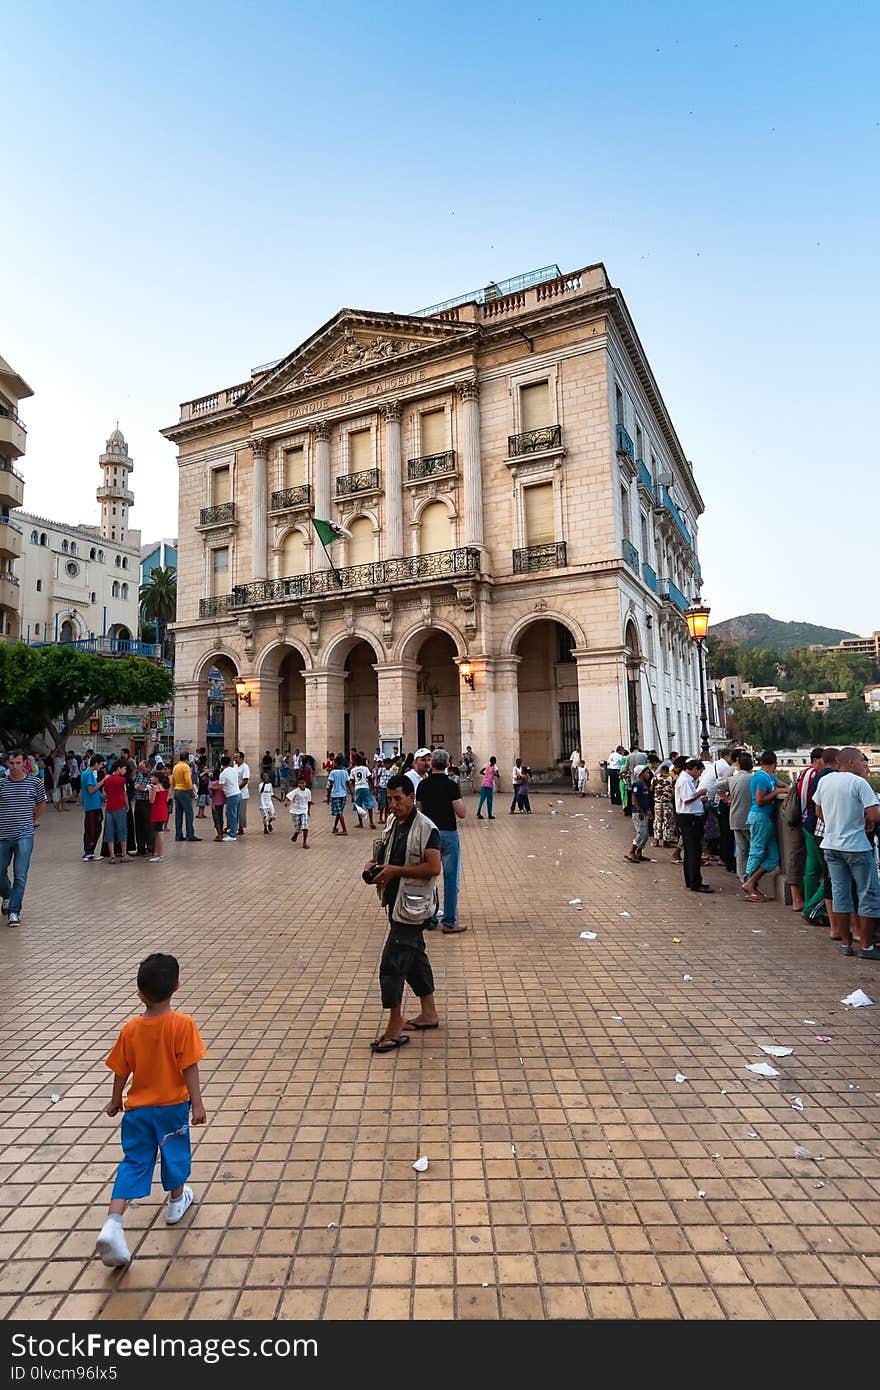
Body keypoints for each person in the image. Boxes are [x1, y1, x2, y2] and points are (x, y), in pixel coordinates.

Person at [95, 953, 207, 1268]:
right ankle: (175, 1202)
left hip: (138, 1111)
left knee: (134, 1161)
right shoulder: (182, 1024)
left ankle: (113, 1223)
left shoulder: (131, 1029)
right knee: (174, 1153)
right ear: (177, 987)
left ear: (140, 994)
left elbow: (121, 1069)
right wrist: (196, 1102)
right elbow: (190, 1067)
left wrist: (116, 1100)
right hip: (172, 1108)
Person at [364, 775, 442, 1051]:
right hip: (395, 901)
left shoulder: (427, 828)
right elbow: (389, 856)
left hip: (413, 907)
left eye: (399, 798)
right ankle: (429, 1012)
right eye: (390, 799)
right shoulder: (392, 824)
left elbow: (433, 868)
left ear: (411, 797)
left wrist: (397, 871)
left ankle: (394, 1027)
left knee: (392, 964)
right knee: (415, 958)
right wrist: (376, 864)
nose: (394, 804)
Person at [812, 747, 880, 959]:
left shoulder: (825, 781)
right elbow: (875, 814)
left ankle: (846, 943)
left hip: (832, 845)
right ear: (850, 762)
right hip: (856, 846)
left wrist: (834, 824)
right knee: (867, 893)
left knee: (841, 894)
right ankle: (867, 946)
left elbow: (817, 810)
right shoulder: (859, 783)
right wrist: (865, 821)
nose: (864, 764)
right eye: (861, 760)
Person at [417, 749, 467, 933]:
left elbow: (419, 812)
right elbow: (461, 813)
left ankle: (430, 917)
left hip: (429, 835)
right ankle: (449, 922)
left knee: (429, 878)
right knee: (451, 879)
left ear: (432, 764)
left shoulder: (422, 785)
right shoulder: (451, 785)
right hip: (448, 834)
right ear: (447, 764)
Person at [0, 749, 48, 927]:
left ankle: (14, 911)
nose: (14, 767)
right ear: (7, 764)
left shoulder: (35, 783)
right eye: (11, 763)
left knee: (20, 874)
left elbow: (42, 804)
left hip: (24, 835)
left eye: (18, 763)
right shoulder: (2, 784)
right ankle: (7, 894)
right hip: (2, 835)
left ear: (24, 763)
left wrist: (30, 820)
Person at [741, 751, 788, 903]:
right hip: (759, 816)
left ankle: (752, 881)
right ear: (774, 763)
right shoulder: (761, 778)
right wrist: (775, 792)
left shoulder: (769, 777)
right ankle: (749, 883)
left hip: (766, 819)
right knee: (757, 850)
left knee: (773, 856)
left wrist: (781, 788)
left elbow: (784, 786)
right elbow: (760, 800)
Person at [803, 747, 840, 923]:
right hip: (821, 829)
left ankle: (808, 903)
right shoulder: (830, 777)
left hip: (809, 825)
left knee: (812, 870)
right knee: (830, 874)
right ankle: (812, 909)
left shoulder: (813, 775)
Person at [674, 758, 713, 892]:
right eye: (700, 772)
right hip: (689, 819)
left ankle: (691, 880)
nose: (700, 775)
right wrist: (700, 793)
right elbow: (687, 798)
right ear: (694, 769)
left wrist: (700, 798)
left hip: (689, 817)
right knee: (694, 851)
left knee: (691, 850)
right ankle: (695, 882)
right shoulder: (685, 780)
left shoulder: (687, 780)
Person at [718, 752, 754, 882]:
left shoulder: (732, 779)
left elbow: (717, 787)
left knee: (741, 848)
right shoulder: (751, 779)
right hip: (748, 818)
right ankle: (750, 876)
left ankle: (741, 875)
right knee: (752, 848)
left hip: (734, 817)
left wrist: (727, 799)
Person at [101, 759, 131, 864]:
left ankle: (112, 857)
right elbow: (124, 794)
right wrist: (127, 806)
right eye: (124, 768)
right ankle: (124, 855)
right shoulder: (122, 780)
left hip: (109, 807)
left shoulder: (107, 779)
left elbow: (105, 793)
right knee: (122, 831)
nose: (125, 771)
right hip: (120, 807)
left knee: (110, 832)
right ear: (118, 768)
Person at [625, 766, 654, 863]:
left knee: (645, 834)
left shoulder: (644, 784)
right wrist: (639, 810)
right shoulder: (637, 784)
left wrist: (648, 810)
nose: (648, 774)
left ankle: (639, 852)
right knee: (642, 833)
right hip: (638, 813)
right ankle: (632, 851)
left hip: (644, 811)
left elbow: (645, 800)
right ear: (641, 774)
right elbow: (634, 798)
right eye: (646, 772)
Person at [80, 754, 106, 862]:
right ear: (96, 763)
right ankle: (88, 851)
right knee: (92, 829)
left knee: (96, 828)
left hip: (95, 805)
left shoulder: (90, 774)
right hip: (92, 806)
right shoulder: (88, 774)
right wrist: (103, 781)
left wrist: (102, 797)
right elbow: (91, 790)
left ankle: (90, 851)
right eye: (100, 764)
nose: (101, 767)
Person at [171, 754, 200, 843]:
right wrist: (191, 792)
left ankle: (178, 835)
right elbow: (188, 780)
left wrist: (175, 789)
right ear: (187, 759)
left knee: (178, 814)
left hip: (177, 790)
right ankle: (190, 834)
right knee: (189, 813)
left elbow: (172, 780)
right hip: (184, 791)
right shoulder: (185, 767)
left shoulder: (176, 767)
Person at [132, 761, 154, 858]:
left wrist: (142, 789)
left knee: (148, 827)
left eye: (142, 769)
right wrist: (135, 786)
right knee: (138, 826)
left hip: (147, 803)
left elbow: (152, 788)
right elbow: (134, 783)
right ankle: (140, 848)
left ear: (148, 768)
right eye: (140, 769)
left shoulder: (152, 776)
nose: (141, 771)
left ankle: (150, 848)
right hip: (138, 802)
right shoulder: (139, 775)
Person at [148, 768, 170, 861]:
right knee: (158, 832)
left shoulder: (155, 787)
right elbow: (166, 799)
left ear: (157, 778)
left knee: (159, 834)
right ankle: (156, 853)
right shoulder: (164, 787)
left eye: (153, 777)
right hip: (163, 810)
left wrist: (149, 791)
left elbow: (151, 800)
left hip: (157, 811)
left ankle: (159, 855)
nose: (151, 778)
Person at [350, 756, 377, 830]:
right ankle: (371, 822)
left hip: (358, 788)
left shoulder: (353, 770)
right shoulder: (365, 768)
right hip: (365, 787)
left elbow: (352, 780)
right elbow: (370, 778)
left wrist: (353, 789)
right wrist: (373, 788)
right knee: (369, 805)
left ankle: (361, 823)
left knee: (359, 806)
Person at [326, 755, 351, 836]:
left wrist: (328, 796)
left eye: (334, 763)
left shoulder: (333, 773)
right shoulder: (345, 772)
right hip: (343, 794)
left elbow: (330, 785)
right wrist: (352, 794)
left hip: (336, 794)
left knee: (339, 812)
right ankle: (335, 827)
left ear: (336, 763)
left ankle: (344, 829)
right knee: (339, 812)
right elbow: (348, 784)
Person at [219, 754, 241, 841]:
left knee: (231, 814)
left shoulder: (223, 774)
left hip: (231, 795)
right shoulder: (234, 770)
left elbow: (221, 787)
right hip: (238, 793)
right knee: (235, 814)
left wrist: (212, 787)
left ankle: (232, 835)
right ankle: (234, 829)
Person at [286, 774, 312, 848]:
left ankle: (304, 843)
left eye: (303, 783)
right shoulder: (295, 791)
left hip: (304, 810)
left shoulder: (308, 791)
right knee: (298, 826)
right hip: (295, 811)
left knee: (305, 826)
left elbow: (309, 801)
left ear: (305, 783)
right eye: (300, 783)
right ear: (298, 784)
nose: (301, 784)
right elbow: (288, 796)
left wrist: (308, 811)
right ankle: (296, 833)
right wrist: (287, 802)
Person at [234, 750, 251, 834]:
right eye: (234, 757)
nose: (235, 759)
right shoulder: (235, 767)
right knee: (235, 811)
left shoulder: (245, 767)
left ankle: (241, 828)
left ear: (241, 758)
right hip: (235, 792)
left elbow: (245, 781)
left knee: (241, 812)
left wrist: (237, 788)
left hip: (242, 793)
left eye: (236, 757)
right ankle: (235, 827)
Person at [208, 770, 226, 842]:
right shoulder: (222, 783)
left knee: (216, 819)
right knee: (221, 818)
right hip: (222, 803)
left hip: (215, 803)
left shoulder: (213, 783)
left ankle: (219, 835)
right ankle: (221, 833)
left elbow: (211, 794)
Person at [376, 759, 392, 824]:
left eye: (388, 764)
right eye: (385, 764)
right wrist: (377, 784)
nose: (387, 765)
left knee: (387, 805)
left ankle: (386, 819)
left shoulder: (392, 771)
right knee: (382, 803)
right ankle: (380, 817)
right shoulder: (382, 770)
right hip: (382, 787)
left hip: (388, 788)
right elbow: (378, 777)